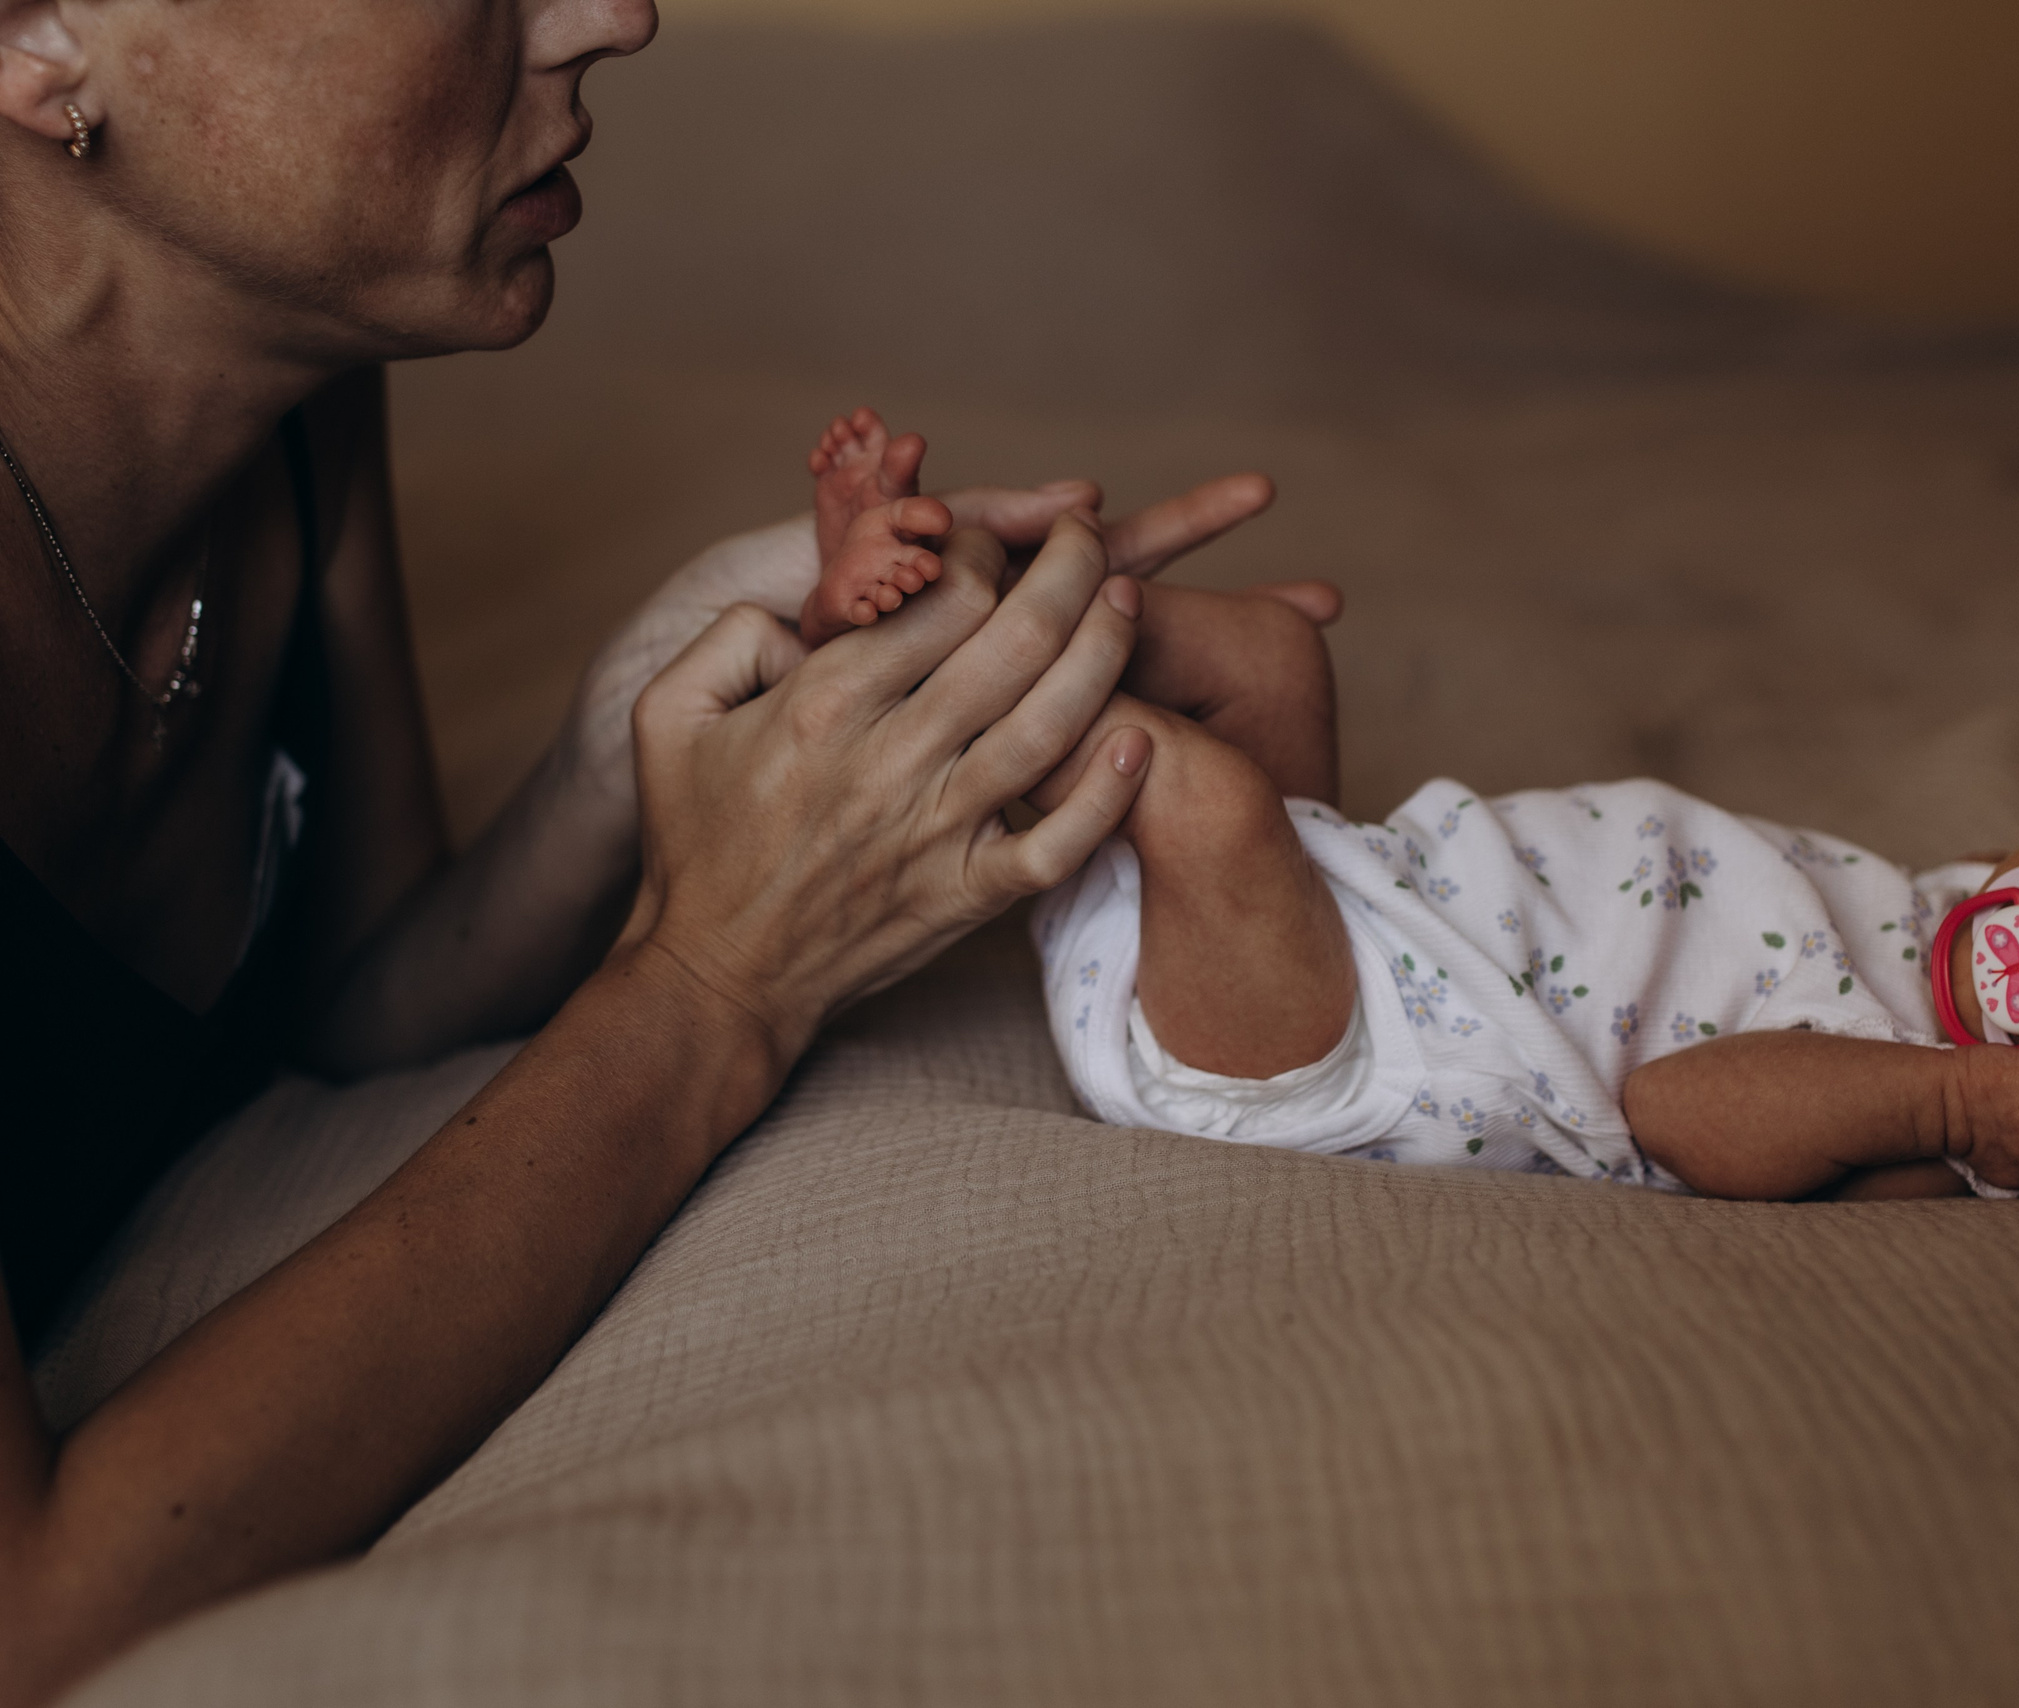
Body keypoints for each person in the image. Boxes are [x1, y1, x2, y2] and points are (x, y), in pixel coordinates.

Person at [0, 0, 1279, 1698]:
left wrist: (634, 729)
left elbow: (344, 1014)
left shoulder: (286, 391)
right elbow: (40, 1621)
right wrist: (721, 981)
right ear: (40, 35)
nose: (617, 16)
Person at [758, 430, 2019, 1207]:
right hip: (1381, 900)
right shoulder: (1946, 908)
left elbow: (1683, 1110)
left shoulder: (1985, 1133)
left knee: (1197, 798)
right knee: (1270, 653)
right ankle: (953, 582)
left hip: (1337, 1053)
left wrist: (1962, 1098)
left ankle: (910, 641)